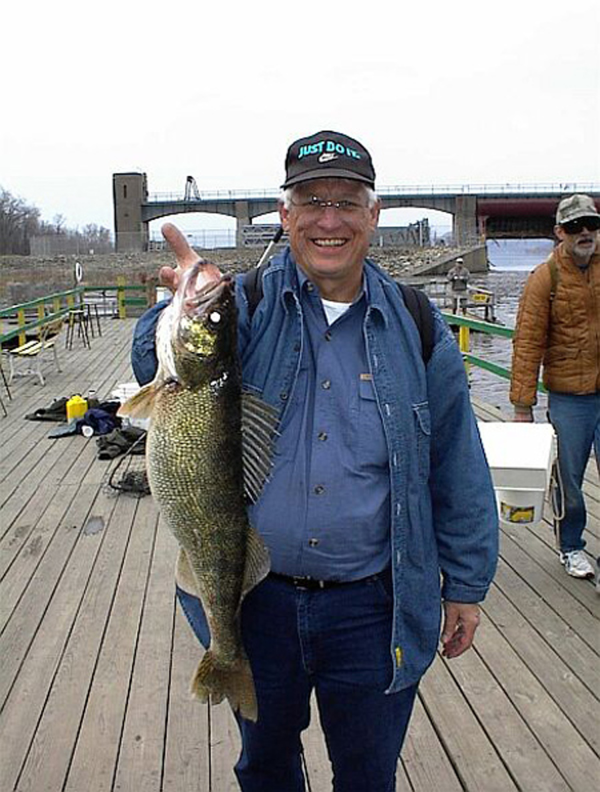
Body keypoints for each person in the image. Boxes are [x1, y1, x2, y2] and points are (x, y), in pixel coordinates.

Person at [131, 130, 499, 791]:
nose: (329, 220)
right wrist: (175, 303)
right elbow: (154, 369)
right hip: (254, 601)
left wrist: (466, 585)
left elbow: (457, 462)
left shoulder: (418, 325)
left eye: (347, 202)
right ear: (285, 215)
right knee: (265, 768)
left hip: (372, 607)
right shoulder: (242, 306)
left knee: (366, 774)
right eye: (311, 200)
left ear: (373, 216)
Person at [510, 193, 600, 580]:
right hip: (569, 398)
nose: (585, 233)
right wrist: (521, 405)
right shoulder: (544, 278)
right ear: (559, 232)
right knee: (570, 480)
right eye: (576, 227)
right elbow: (527, 343)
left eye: (592, 225)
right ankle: (571, 546)